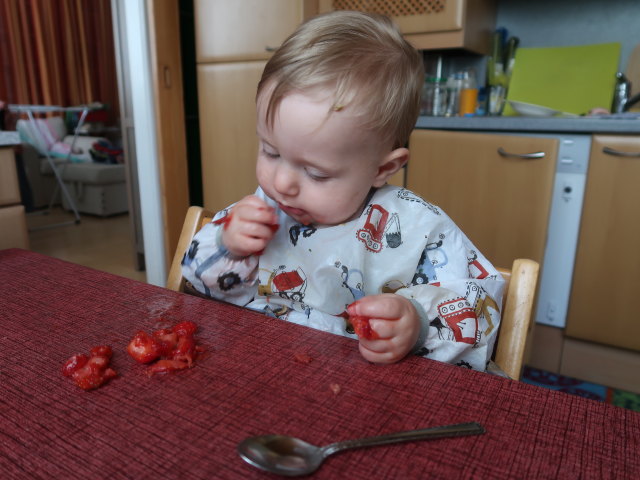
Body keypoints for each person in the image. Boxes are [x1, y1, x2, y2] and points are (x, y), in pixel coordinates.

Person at [182, 11, 504, 371]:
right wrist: (229, 247)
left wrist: (416, 323)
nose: (282, 183)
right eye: (270, 152)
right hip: (262, 372)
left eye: (316, 173)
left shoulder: (418, 228)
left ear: (382, 168)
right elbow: (200, 287)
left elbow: (476, 309)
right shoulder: (266, 207)